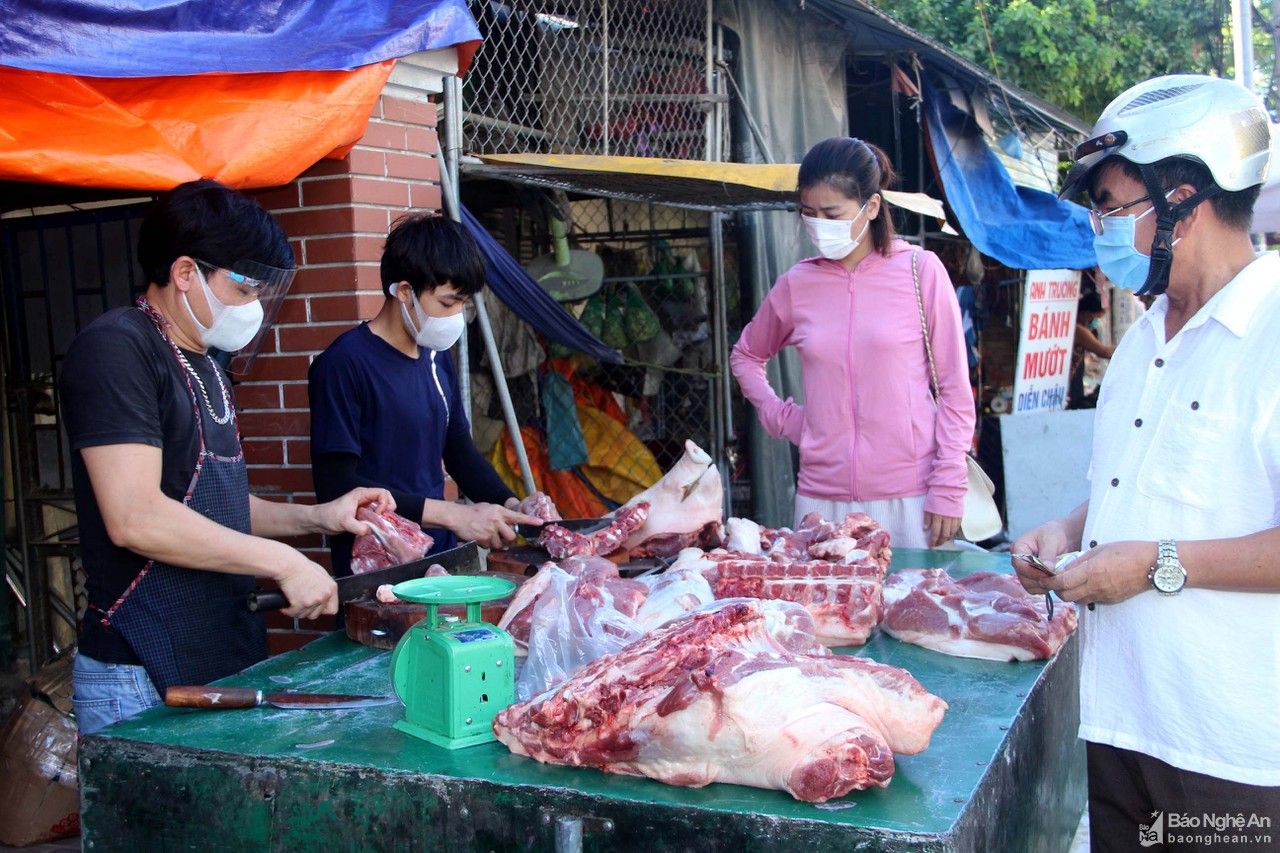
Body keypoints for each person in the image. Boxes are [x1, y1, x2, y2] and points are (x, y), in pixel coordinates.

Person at [1012, 74, 1280, 849]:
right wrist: (1068, 528)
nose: (1096, 226)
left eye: (1111, 205)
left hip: (1232, 750)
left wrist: (1158, 564)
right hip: (1122, 723)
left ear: (1185, 203)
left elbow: (1166, 547)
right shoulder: (1142, 339)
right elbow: (1138, 487)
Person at [61, 180, 392, 735]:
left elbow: (216, 506)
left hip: (221, 656)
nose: (254, 309)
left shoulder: (209, 364)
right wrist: (283, 562)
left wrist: (320, 517)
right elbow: (136, 517)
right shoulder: (117, 348)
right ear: (186, 273)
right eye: (243, 290)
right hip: (139, 673)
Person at [730, 137, 974, 548]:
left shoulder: (920, 271)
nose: (818, 224)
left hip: (912, 498)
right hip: (820, 500)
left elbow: (954, 388)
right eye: (808, 213)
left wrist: (949, 482)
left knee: (914, 609)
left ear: (872, 207)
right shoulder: (797, 284)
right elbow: (746, 355)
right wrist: (783, 418)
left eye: (832, 213)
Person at [309, 213, 543, 576]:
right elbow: (337, 487)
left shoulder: (436, 358)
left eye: (464, 304)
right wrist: (452, 513)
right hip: (375, 563)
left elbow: (459, 450)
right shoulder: (343, 364)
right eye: (448, 303)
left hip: (438, 558)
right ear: (404, 292)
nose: (458, 316)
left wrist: (512, 504)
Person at [1067, 290, 1115, 409]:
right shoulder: (1079, 331)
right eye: (1096, 317)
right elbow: (1104, 352)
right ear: (1087, 313)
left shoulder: (1074, 325)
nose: (1096, 322)